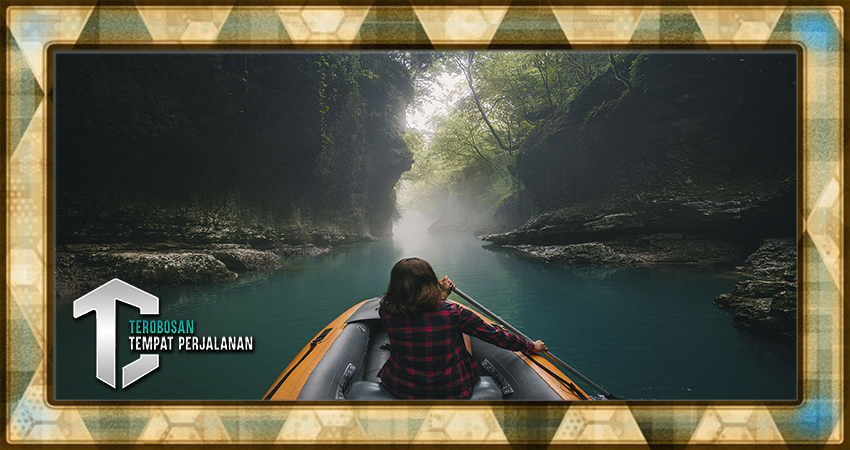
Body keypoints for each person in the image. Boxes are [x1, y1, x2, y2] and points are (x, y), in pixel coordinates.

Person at [378, 257, 548, 400]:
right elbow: (496, 336)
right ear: (430, 282)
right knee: (464, 330)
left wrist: (442, 296)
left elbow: (419, 314)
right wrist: (531, 346)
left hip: (402, 388)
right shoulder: (454, 313)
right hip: (453, 389)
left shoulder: (386, 312)